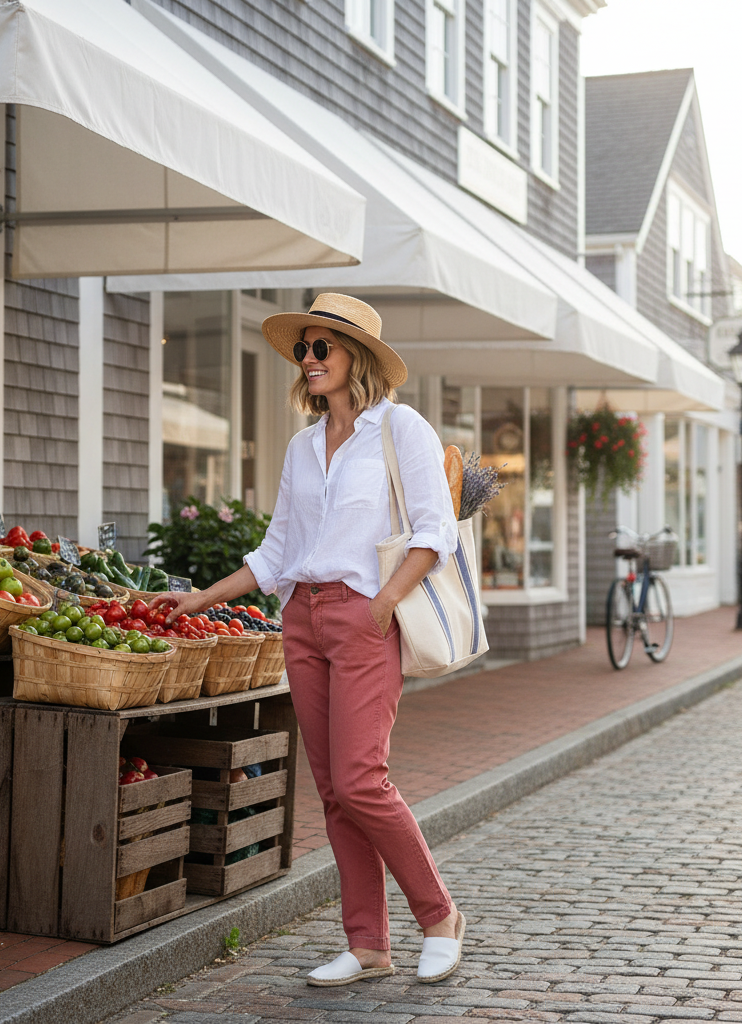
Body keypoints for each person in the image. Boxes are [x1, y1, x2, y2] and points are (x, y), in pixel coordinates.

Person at [151, 293, 466, 986]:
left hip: (363, 618)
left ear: (359, 357)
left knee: (361, 779)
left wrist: (382, 604)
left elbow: (434, 532)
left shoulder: (399, 429)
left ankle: (439, 915)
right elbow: (277, 551)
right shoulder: (302, 444)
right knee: (332, 789)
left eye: (324, 347)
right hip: (302, 620)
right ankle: (369, 945)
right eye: (304, 349)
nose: (311, 359)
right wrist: (200, 597)